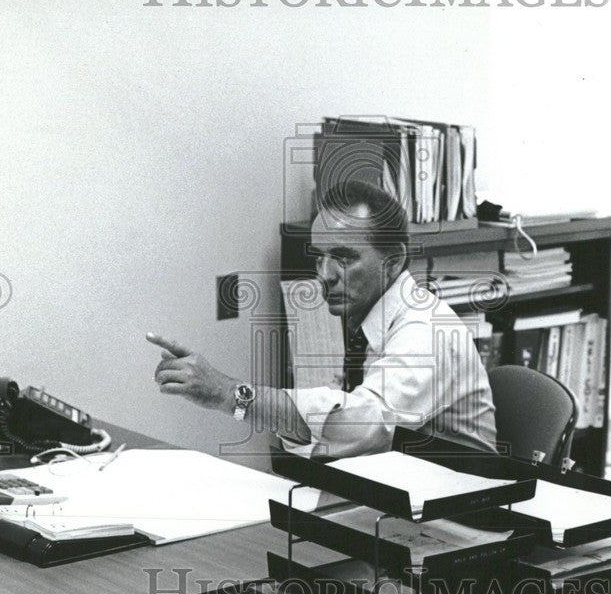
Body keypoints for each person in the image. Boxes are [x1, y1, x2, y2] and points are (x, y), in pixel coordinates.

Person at [147, 180, 497, 458]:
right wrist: (231, 401)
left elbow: (360, 426)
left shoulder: (425, 330)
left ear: (393, 261)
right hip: (397, 499)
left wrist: (226, 394)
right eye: (320, 257)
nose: (325, 275)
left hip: (460, 522)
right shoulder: (364, 316)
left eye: (344, 257)